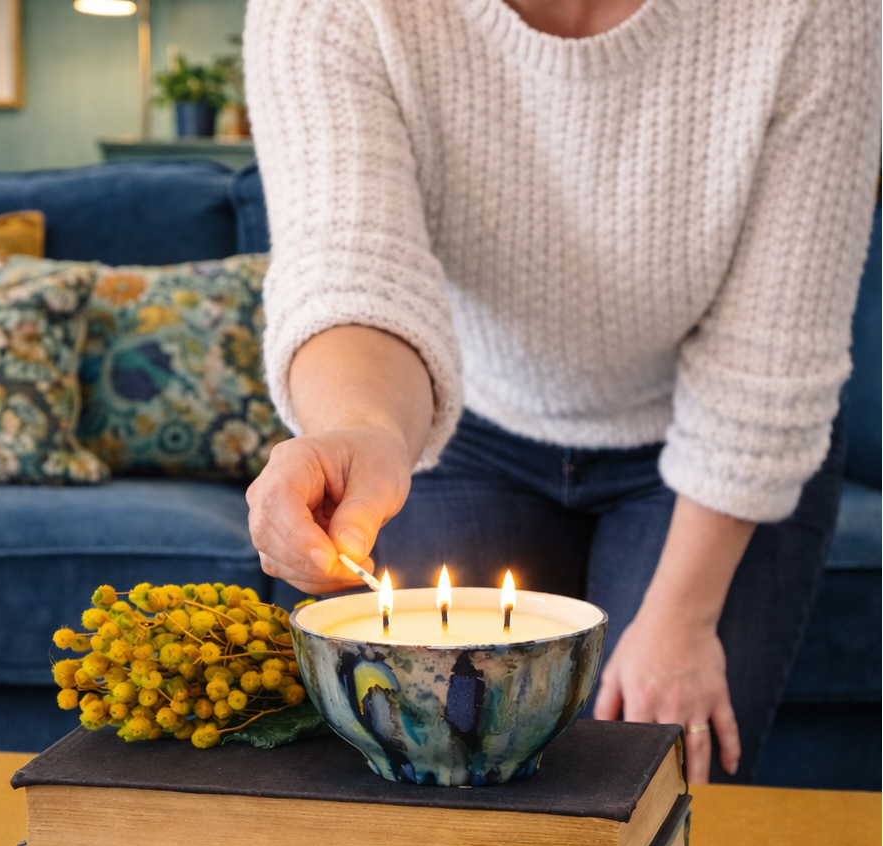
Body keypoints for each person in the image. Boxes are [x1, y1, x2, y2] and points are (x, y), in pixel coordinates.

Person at [242, 0, 881, 783]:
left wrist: (682, 619)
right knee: (449, 771)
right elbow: (350, 266)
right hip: (462, 424)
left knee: (651, 785)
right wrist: (362, 429)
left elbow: (773, 348)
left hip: (724, 442)